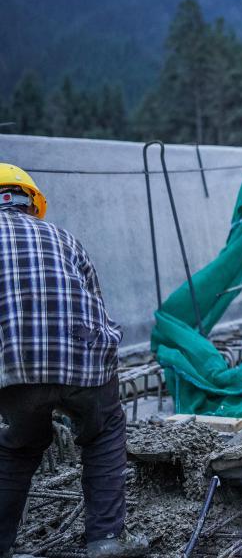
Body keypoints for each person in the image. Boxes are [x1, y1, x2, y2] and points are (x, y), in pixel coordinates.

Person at [0, 164, 148, 557]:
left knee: (19, 445)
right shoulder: (65, 239)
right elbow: (97, 309)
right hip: (82, 360)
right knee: (103, 430)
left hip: (14, 366)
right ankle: (106, 540)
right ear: (32, 203)